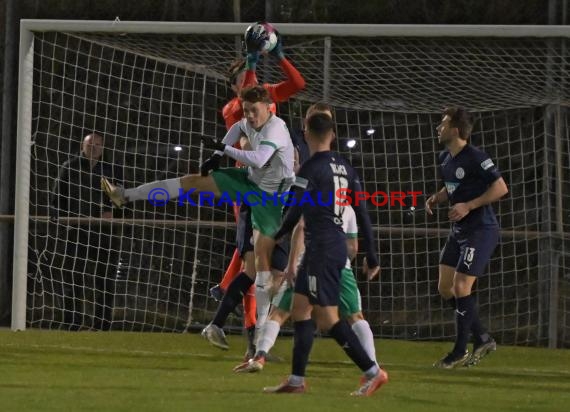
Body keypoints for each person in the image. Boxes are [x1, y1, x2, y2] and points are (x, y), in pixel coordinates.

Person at [100, 85, 295, 343]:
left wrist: (222, 149)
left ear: (268, 108)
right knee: (192, 181)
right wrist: (216, 154)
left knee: (261, 271)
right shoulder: (248, 122)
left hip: (272, 199)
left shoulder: (276, 128)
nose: (249, 115)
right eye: (246, 110)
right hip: (250, 183)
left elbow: (259, 159)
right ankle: (124, 195)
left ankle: (259, 342)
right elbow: (237, 128)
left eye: (254, 110)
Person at [263, 112, 387, 396]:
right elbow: (363, 212)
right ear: (332, 134)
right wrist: (372, 253)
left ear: (306, 133)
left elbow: (295, 209)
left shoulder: (309, 168)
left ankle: (373, 372)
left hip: (322, 248)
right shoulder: (346, 167)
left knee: (328, 319)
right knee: (299, 309)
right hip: (329, 245)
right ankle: (296, 380)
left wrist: (279, 232)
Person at [209, 36, 306, 357]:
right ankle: (251, 337)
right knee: (256, 265)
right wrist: (251, 61)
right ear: (235, 86)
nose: (247, 81)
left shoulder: (267, 99)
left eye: (247, 75)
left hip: (278, 192)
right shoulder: (235, 108)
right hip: (253, 191)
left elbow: (297, 82)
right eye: (240, 79)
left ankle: (229, 296)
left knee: (267, 268)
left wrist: (278, 56)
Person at [233, 205, 379, 374]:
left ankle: (259, 357)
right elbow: (353, 248)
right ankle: (373, 367)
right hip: (338, 268)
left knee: (279, 314)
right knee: (355, 317)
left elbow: (301, 227)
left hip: (306, 264)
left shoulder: (313, 202)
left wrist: (291, 264)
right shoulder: (348, 208)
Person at [425, 107, 508, 368]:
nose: (439, 127)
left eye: (443, 122)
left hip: (480, 230)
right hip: (458, 232)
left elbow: (501, 187)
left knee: (462, 286)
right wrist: (438, 197)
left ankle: (459, 351)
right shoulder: (445, 158)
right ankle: (482, 337)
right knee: (445, 288)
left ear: (456, 130)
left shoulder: (476, 157)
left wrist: (469, 206)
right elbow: (453, 186)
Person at [50, 133, 122, 330]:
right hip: (76, 230)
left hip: (103, 233)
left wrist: (111, 211)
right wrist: (61, 218)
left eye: (98, 145)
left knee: (104, 279)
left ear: (103, 148)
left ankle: (102, 324)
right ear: (83, 146)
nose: (94, 148)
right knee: (73, 276)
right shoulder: (70, 167)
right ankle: (72, 321)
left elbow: (119, 199)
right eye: (91, 144)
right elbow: (57, 197)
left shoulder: (109, 170)